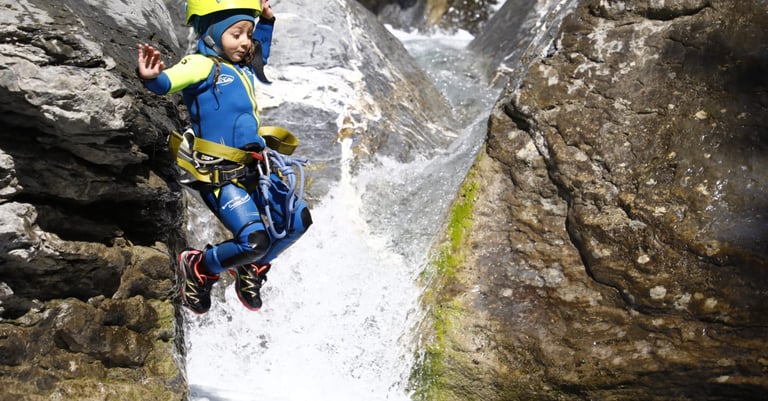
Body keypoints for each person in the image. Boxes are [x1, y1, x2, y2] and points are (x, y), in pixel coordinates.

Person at [137, 0, 312, 314]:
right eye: (236, 34)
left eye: (248, 32)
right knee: (254, 242)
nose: (245, 41)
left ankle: (252, 268)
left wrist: (267, 22)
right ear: (211, 35)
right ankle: (201, 267)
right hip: (221, 175)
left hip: (257, 171)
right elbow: (169, 81)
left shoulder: (242, 66)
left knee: (299, 221)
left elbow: (263, 54)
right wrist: (153, 77)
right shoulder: (202, 65)